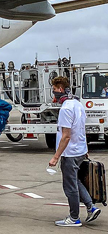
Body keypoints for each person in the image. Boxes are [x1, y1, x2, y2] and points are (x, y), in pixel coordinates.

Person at [49, 76, 102, 226]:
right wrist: (85, 148)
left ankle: (74, 218)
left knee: (70, 186)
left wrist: (56, 157)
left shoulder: (65, 109)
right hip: (80, 150)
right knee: (75, 181)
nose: (53, 94)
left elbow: (66, 136)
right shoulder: (78, 104)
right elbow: (81, 129)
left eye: (54, 90)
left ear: (60, 89)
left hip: (70, 153)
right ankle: (91, 207)